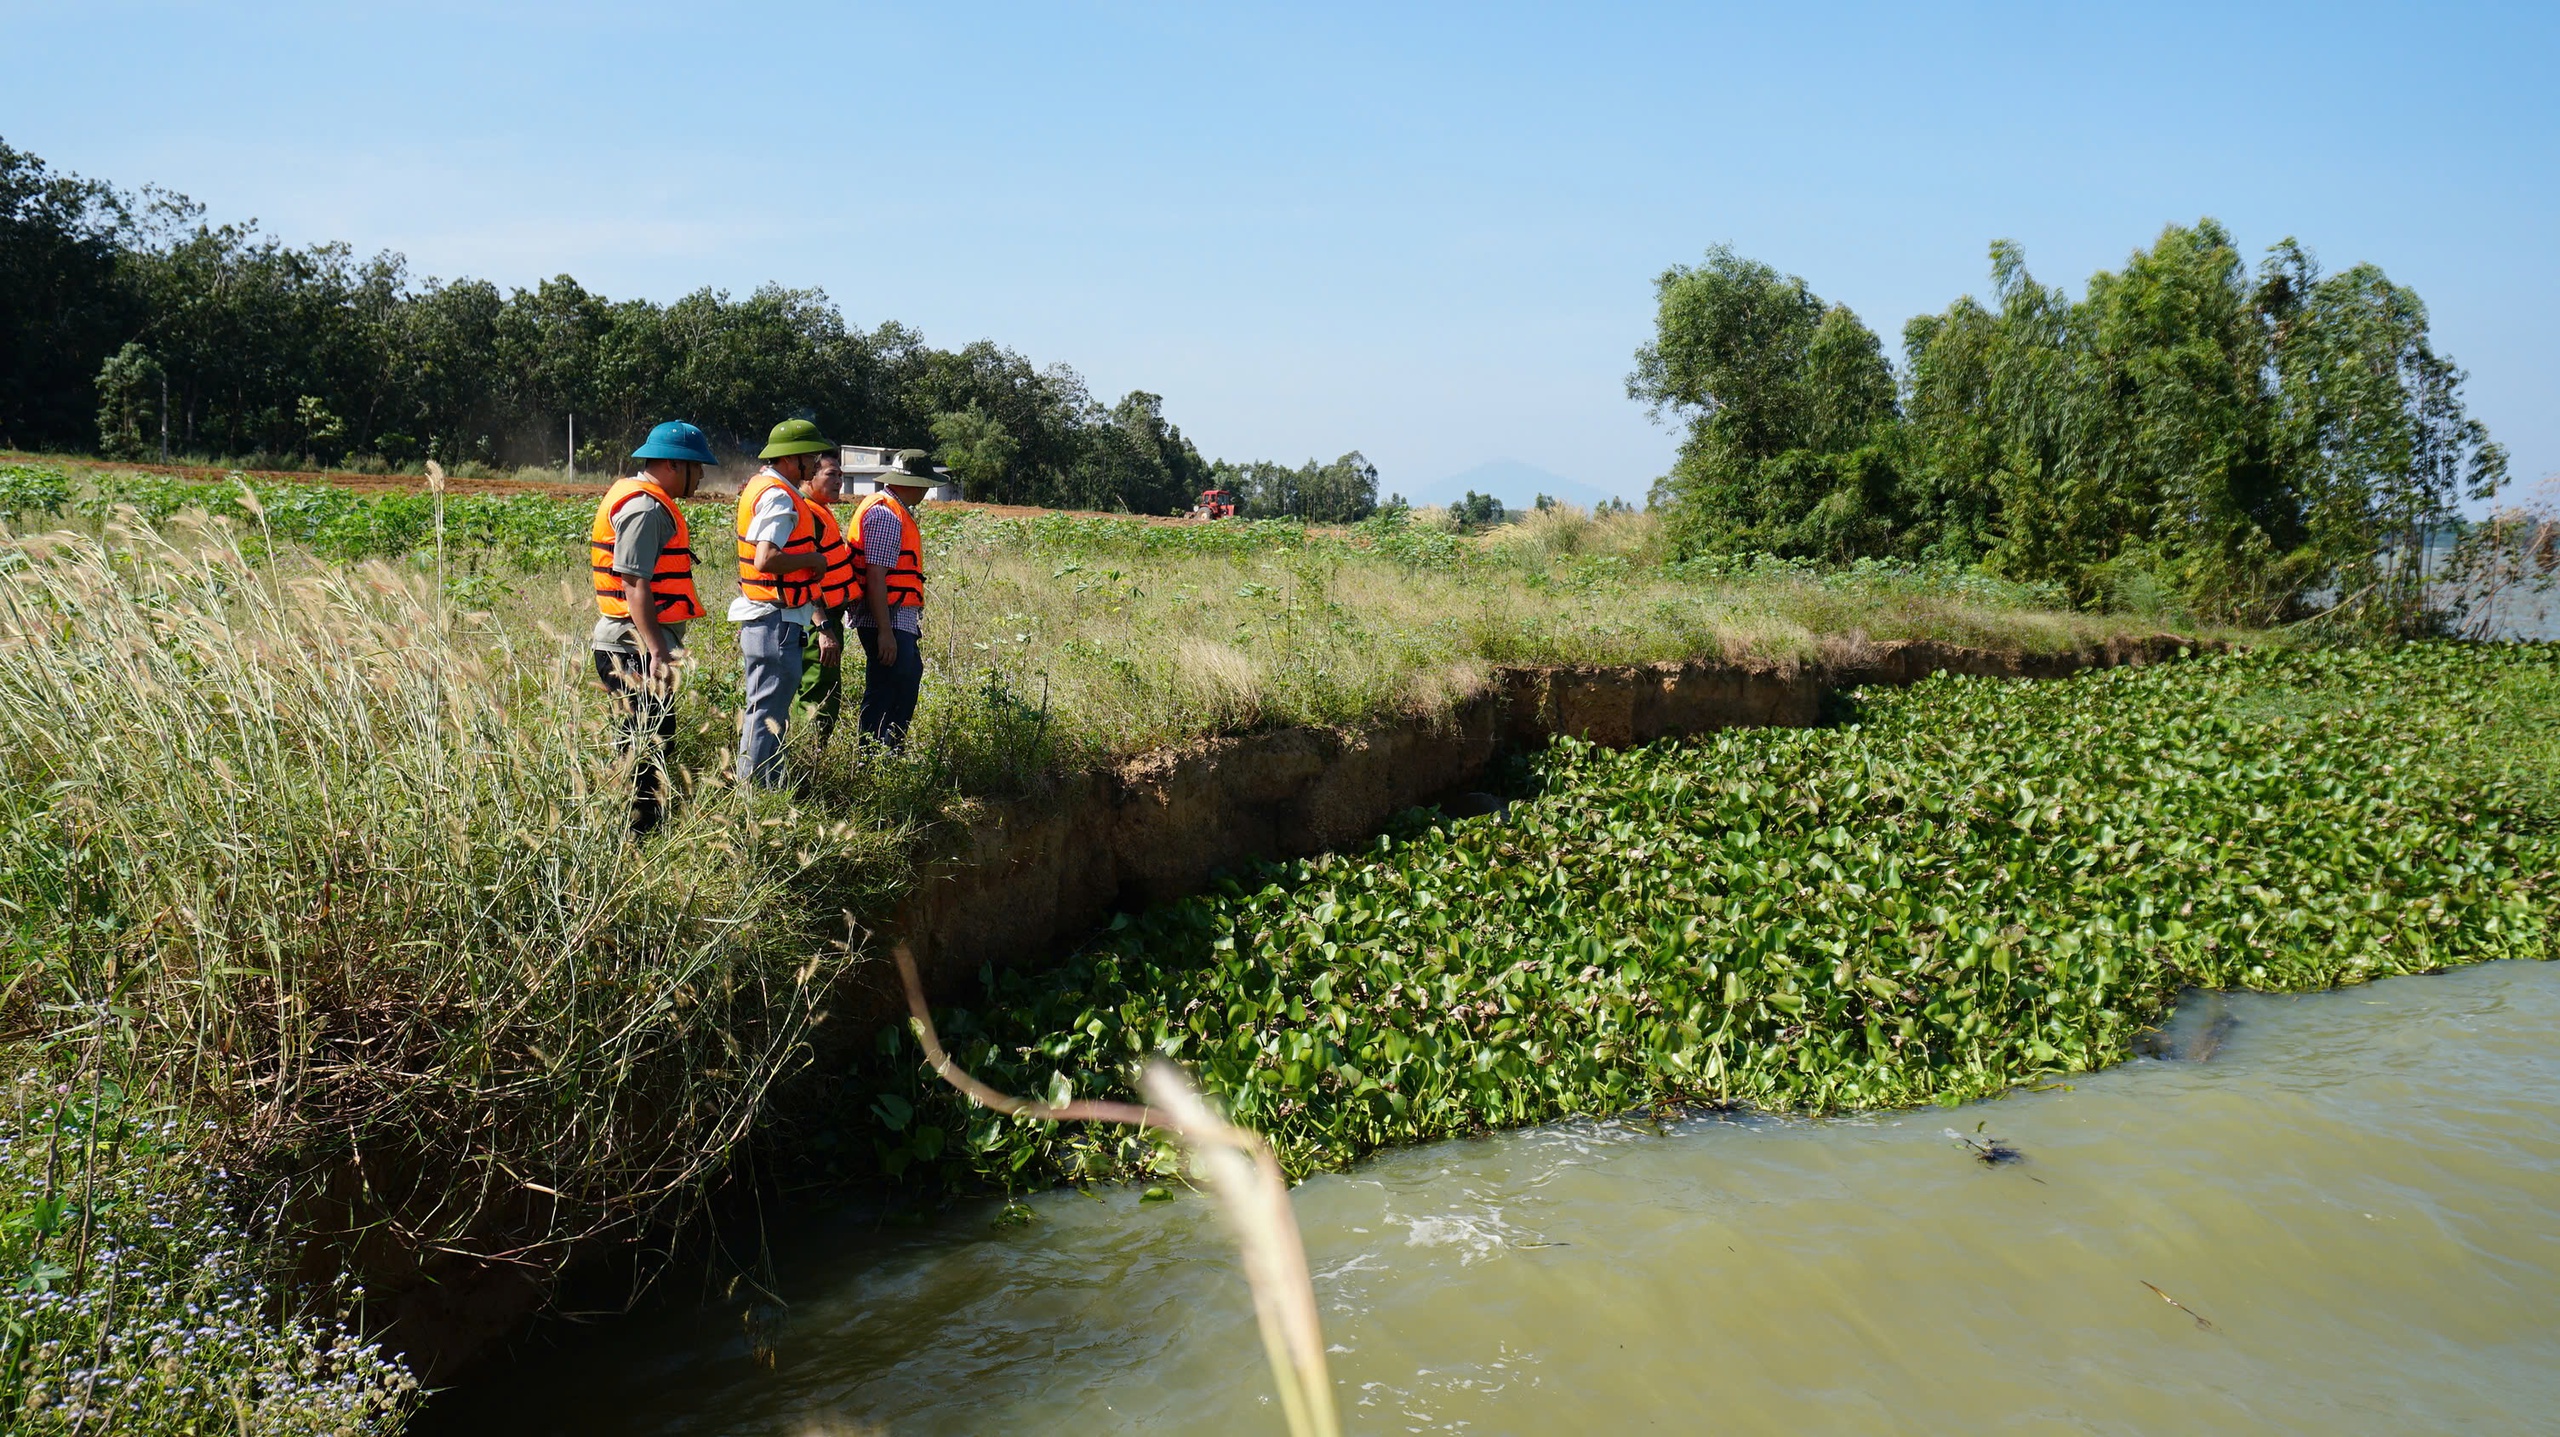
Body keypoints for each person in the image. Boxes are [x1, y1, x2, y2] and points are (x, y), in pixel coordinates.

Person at [589, 419, 712, 832]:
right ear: (676, 465)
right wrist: (656, 647)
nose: (702, 476)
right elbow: (633, 582)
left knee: (647, 743)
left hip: (633, 645)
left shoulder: (645, 499)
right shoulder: (646, 507)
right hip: (633, 649)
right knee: (645, 749)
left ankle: (638, 834)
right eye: (698, 467)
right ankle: (638, 838)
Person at [732, 418, 837, 787]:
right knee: (767, 712)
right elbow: (766, 558)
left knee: (767, 710)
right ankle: (757, 796)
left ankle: (768, 787)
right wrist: (814, 560)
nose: (814, 463)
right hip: (774, 621)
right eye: (811, 456)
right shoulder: (778, 494)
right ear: (793, 459)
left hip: (771, 618)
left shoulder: (765, 486)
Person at [849, 448, 933, 749]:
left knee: (902, 682)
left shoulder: (892, 509)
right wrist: (885, 632)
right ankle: (875, 757)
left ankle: (884, 754)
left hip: (896, 616)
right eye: (925, 483)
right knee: (889, 688)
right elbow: (876, 576)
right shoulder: (885, 514)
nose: (926, 490)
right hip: (888, 617)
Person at [795, 449, 857, 750]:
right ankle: (811, 761)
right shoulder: (806, 513)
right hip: (815, 622)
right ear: (810, 475)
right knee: (818, 694)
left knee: (823, 691)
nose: (839, 481)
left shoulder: (820, 510)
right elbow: (804, 576)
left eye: (841, 475)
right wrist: (823, 629)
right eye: (831, 474)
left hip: (826, 618)